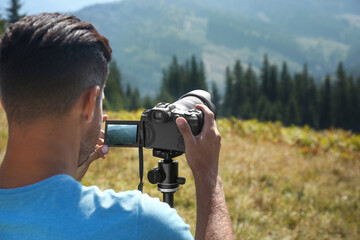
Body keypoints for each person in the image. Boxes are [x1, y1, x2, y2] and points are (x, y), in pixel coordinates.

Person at [0, 13, 234, 240]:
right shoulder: (141, 223)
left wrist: (69, 177)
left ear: (3, 100)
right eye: (101, 100)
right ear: (88, 103)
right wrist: (208, 177)